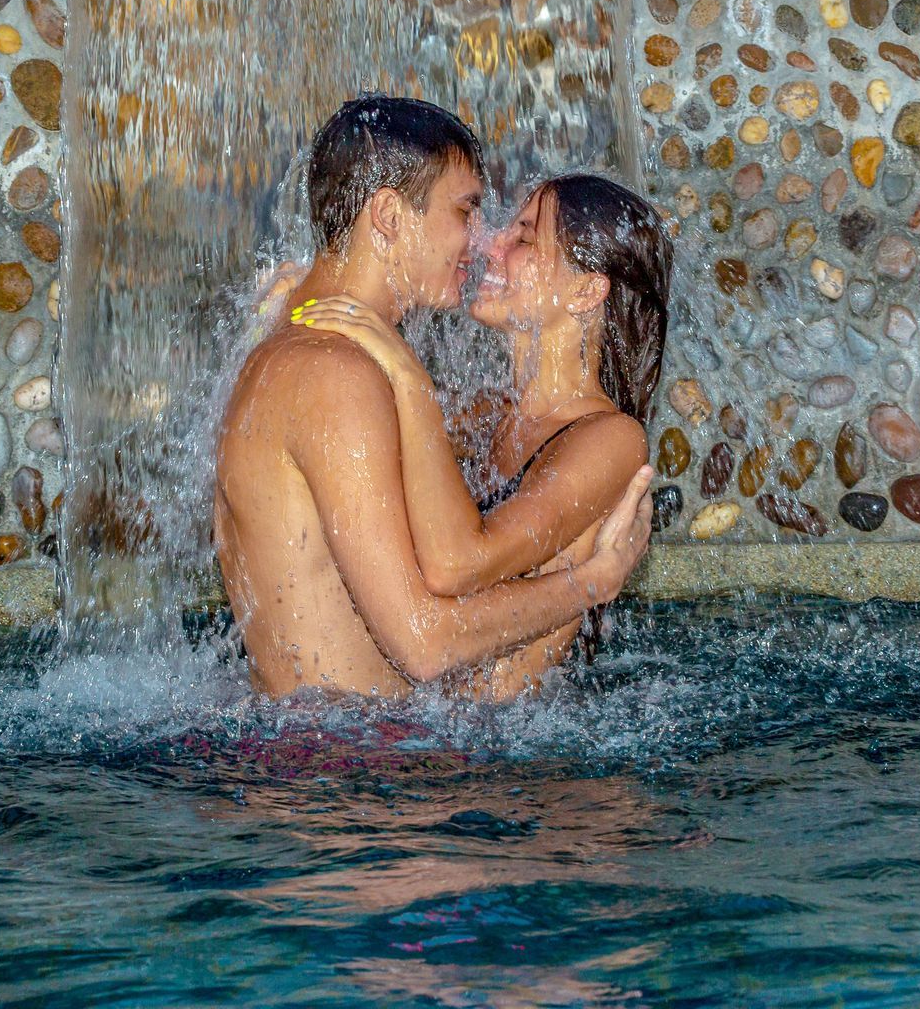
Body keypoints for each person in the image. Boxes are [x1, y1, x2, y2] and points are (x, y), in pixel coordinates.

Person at [214, 97, 654, 699]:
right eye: (466, 210)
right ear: (391, 216)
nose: (482, 242)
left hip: (319, 760)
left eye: (517, 232)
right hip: (360, 773)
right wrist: (595, 581)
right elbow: (425, 642)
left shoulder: (295, 354)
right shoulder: (337, 375)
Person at [292, 172, 672, 672]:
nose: (491, 243)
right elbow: (356, 433)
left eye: (524, 238)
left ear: (585, 290)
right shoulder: (494, 414)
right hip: (445, 726)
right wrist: (300, 302)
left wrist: (408, 376)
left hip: (499, 742)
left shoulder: (612, 439)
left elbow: (457, 565)